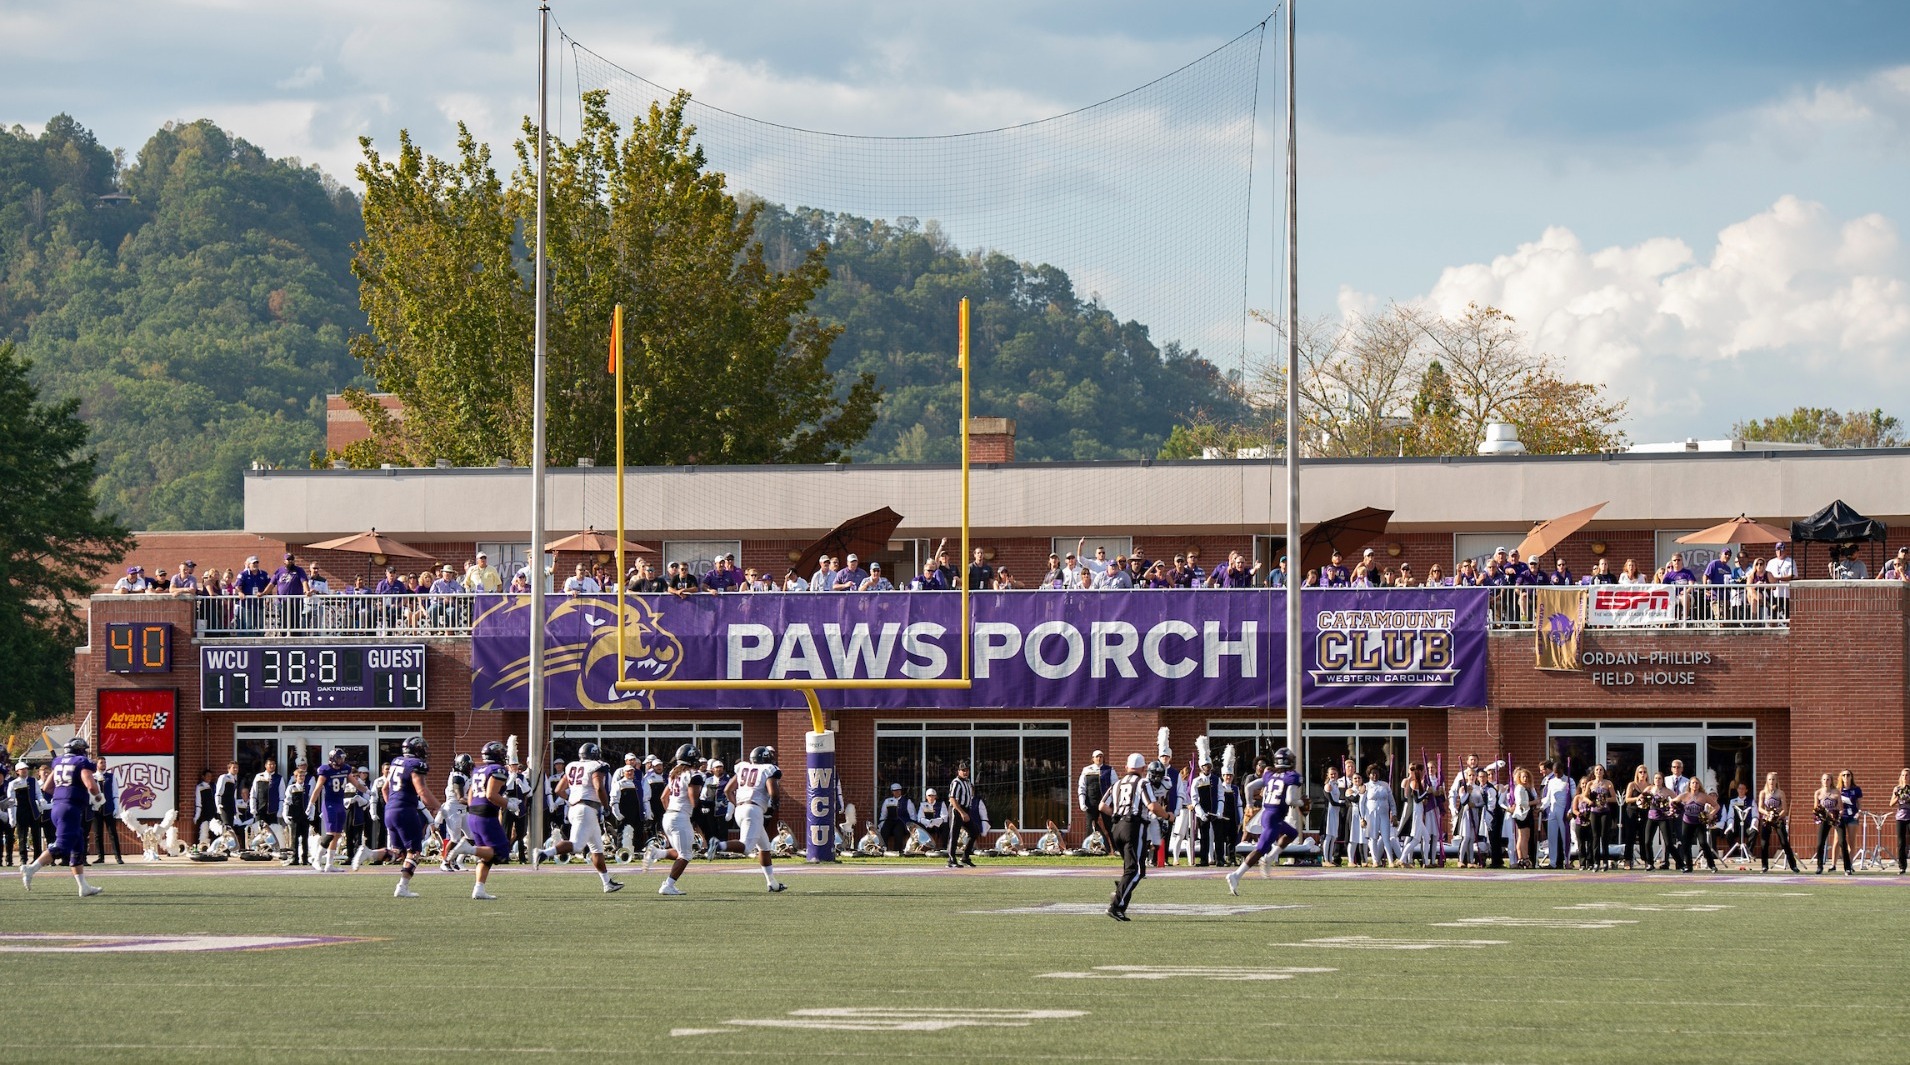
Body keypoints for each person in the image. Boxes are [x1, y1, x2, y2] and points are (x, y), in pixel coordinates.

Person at [20, 737, 106, 897]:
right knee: (62, 845)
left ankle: (83, 887)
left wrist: (63, 794)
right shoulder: (80, 762)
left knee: (78, 843)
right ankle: (31, 868)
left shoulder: (58, 762)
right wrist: (98, 796)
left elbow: (47, 787)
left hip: (57, 807)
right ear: (80, 750)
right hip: (70, 809)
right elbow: (90, 785)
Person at [532, 743, 623, 893]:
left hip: (576, 808)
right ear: (595, 754)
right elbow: (598, 787)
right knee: (577, 846)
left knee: (597, 848)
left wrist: (574, 798)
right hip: (586, 810)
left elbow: (558, 790)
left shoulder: (572, 766)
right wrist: (606, 807)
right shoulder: (597, 765)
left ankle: (607, 883)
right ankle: (544, 853)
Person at [355, 736, 437, 898]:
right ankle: (402, 887)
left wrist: (392, 805)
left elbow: (385, 789)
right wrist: (438, 806)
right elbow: (421, 791)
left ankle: (370, 854)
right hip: (405, 810)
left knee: (398, 852)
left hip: (391, 809)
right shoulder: (415, 765)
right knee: (414, 851)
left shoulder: (396, 762)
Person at [1101, 753, 1168, 921]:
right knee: (1135, 870)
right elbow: (1152, 806)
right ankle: (1116, 904)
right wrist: (1168, 816)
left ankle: (1120, 903)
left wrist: (1117, 814)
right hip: (1133, 827)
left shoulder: (1117, 783)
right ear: (1144, 769)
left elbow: (1102, 806)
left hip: (1117, 828)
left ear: (1126, 768)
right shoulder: (1142, 782)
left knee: (1132, 869)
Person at [1228, 747, 1300, 894]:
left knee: (1292, 833)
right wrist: (1300, 802)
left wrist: (1249, 804)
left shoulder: (1270, 775)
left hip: (1266, 813)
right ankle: (1236, 875)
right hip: (1274, 816)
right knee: (1260, 849)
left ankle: (1271, 857)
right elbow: (1290, 799)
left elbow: (1249, 786)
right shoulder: (1292, 776)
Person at [724, 745, 787, 892]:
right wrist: (775, 801)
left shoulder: (743, 767)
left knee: (764, 847)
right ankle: (719, 845)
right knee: (746, 847)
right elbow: (773, 791)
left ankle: (772, 883)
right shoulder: (767, 769)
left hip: (740, 809)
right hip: (753, 810)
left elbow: (728, 790)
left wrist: (738, 804)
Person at [649, 744, 706, 895]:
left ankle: (657, 853)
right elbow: (694, 801)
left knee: (680, 851)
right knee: (686, 855)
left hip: (668, 815)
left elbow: (663, 797)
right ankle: (668, 885)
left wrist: (671, 811)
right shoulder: (693, 775)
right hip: (679, 816)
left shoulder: (674, 773)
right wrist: (699, 812)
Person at [463, 741, 512, 899]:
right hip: (486, 815)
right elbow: (491, 795)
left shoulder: (478, 769)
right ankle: (467, 849)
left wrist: (473, 809)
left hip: (474, 813)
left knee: (486, 855)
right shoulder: (497, 769)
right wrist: (509, 804)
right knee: (500, 852)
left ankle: (479, 889)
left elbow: (470, 793)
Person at [310, 748, 356, 872]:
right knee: (330, 834)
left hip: (340, 804)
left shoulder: (345, 769)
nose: (341, 760)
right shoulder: (325, 770)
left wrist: (367, 791)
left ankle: (329, 864)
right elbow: (318, 788)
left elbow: (355, 783)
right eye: (339, 758)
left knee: (337, 835)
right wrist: (311, 804)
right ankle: (316, 859)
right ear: (333, 759)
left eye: (342, 758)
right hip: (330, 804)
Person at [1756, 772, 1800, 874]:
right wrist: (1767, 814)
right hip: (1767, 819)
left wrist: (1777, 816)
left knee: (1784, 841)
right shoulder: (1763, 793)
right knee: (1764, 843)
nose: (1771, 781)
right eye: (1770, 779)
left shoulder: (1780, 793)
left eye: (1773, 779)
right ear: (1767, 781)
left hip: (1778, 819)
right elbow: (1760, 808)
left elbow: (1784, 809)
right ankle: (1764, 866)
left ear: (1776, 781)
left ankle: (1793, 866)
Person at [439, 753, 474, 871]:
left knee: (473, 836)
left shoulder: (465, 776)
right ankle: (445, 861)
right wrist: (475, 804)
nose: (469, 768)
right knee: (455, 839)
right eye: (467, 765)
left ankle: (458, 860)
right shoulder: (457, 777)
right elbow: (460, 798)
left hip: (462, 809)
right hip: (453, 809)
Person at [1361, 764, 1400, 867]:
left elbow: (1392, 801)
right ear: (1369, 775)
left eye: (1376, 773)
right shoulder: (1366, 786)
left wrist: (1394, 814)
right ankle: (1375, 861)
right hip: (1371, 814)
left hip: (1384, 814)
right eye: (1372, 774)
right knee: (1373, 837)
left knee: (1386, 837)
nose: (1375, 776)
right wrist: (1362, 818)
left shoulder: (1385, 785)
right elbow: (1362, 803)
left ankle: (1390, 861)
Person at [1076, 750, 1114, 849]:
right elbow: (1082, 786)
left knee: (1110, 825)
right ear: (1093, 758)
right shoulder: (1086, 770)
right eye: (1097, 757)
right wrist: (1082, 801)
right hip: (1091, 802)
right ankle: (1089, 847)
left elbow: (1114, 786)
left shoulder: (1109, 770)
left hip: (1105, 803)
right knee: (1090, 825)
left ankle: (1116, 848)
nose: (1099, 758)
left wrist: (1109, 801)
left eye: (1101, 756)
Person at [1540, 759, 1572, 869]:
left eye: (1558, 772)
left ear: (1562, 770)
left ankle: (1567, 861)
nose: (1556, 774)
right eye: (1555, 772)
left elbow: (1573, 797)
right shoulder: (1551, 782)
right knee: (1552, 837)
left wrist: (1570, 810)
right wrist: (1542, 807)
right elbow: (1548, 798)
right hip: (1552, 812)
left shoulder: (1569, 781)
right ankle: (1552, 862)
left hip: (1563, 812)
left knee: (1565, 837)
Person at [248, 757, 283, 856]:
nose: (272, 766)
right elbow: (253, 793)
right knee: (259, 830)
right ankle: (256, 849)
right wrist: (253, 807)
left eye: (273, 764)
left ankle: (272, 850)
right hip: (260, 809)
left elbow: (282, 796)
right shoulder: (259, 776)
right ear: (265, 765)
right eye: (270, 764)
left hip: (273, 810)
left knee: (272, 831)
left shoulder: (278, 778)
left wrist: (280, 810)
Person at [946, 761, 978, 868]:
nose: (965, 772)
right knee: (954, 834)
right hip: (956, 809)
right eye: (963, 770)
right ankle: (951, 860)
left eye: (967, 770)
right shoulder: (956, 782)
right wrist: (962, 812)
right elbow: (952, 799)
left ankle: (965, 857)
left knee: (974, 832)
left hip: (965, 809)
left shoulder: (968, 782)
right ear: (958, 771)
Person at [91, 760, 123, 864]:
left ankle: (118, 857)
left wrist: (116, 807)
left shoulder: (110, 776)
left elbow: (115, 792)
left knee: (112, 833)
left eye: (104, 763)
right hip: (97, 809)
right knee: (97, 834)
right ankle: (101, 857)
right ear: (97, 765)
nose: (103, 765)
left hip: (108, 808)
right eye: (101, 763)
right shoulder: (92, 777)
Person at [1834, 769, 1862, 875]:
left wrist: (1859, 812)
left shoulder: (1856, 789)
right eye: (1844, 775)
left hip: (1852, 817)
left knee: (1851, 841)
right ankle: (1833, 864)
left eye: (1848, 775)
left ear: (1851, 777)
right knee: (1838, 840)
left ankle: (1849, 864)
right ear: (1841, 777)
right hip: (1841, 817)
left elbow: (1859, 803)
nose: (1846, 777)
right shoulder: (1837, 790)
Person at [283, 763, 311, 868]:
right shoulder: (292, 788)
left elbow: (311, 801)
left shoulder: (308, 787)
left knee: (305, 838)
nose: (302, 778)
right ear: (296, 777)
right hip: (295, 815)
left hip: (304, 815)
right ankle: (295, 858)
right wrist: (285, 814)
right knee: (294, 838)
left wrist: (311, 813)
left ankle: (305, 859)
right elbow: (287, 802)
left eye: (303, 776)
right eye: (300, 776)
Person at [1811, 773, 1839, 874]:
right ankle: (1819, 866)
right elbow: (1815, 808)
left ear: (1831, 781)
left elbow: (1840, 807)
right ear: (1821, 781)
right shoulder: (1818, 793)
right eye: (1824, 779)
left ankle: (1847, 867)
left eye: (1828, 779)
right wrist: (1820, 814)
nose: (1826, 781)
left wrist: (1834, 814)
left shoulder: (1836, 792)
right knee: (1820, 843)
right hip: (1824, 819)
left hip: (1834, 818)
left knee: (1841, 841)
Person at [878, 783, 915, 854]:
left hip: (902, 821)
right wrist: (881, 823)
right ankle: (883, 850)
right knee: (884, 831)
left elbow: (912, 815)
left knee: (898, 831)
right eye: (894, 791)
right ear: (892, 792)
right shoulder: (887, 801)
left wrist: (912, 825)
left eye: (898, 790)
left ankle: (897, 851)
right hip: (890, 821)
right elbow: (883, 814)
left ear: (901, 791)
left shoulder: (907, 801)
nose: (897, 792)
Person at [915, 788, 949, 853]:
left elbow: (944, 817)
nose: (931, 797)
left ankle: (944, 847)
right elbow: (920, 818)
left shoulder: (941, 804)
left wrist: (934, 821)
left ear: (935, 796)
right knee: (919, 826)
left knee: (945, 825)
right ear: (926, 797)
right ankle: (922, 846)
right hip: (927, 825)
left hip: (937, 824)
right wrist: (927, 822)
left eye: (933, 795)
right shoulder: (923, 805)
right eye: (929, 796)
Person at [1892, 770, 1910, 875]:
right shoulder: (1897, 788)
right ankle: (1902, 867)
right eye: (1903, 775)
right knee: (1901, 843)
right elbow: (1891, 803)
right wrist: (1898, 796)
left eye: (1907, 775)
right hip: (1900, 818)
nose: (1905, 777)